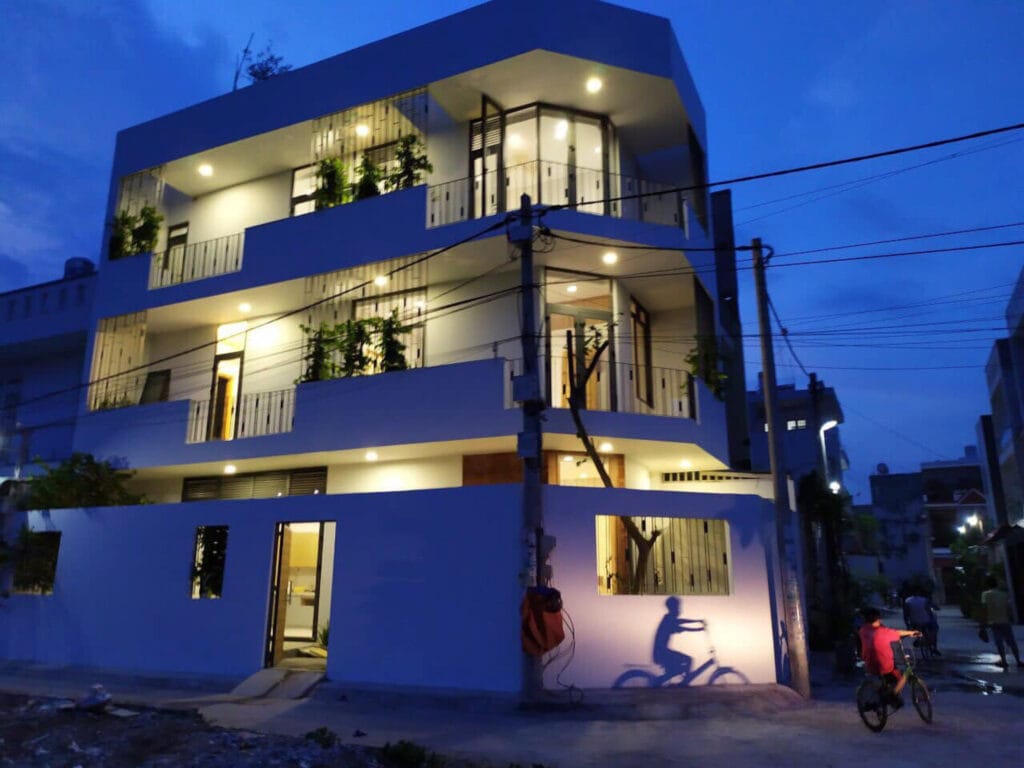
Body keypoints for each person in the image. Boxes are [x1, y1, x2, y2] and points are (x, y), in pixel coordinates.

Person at [858, 606, 921, 708]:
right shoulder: (885, 632)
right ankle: (892, 696)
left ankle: (885, 693)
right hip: (884, 666)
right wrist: (911, 632)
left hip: (869, 664)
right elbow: (897, 633)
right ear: (878, 618)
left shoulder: (863, 630)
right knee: (901, 673)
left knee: (885, 676)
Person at [652, 596, 705, 685]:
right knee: (688, 660)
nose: (679, 609)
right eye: (677, 606)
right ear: (673, 607)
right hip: (662, 653)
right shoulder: (668, 620)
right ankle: (684, 684)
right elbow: (682, 627)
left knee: (677, 669)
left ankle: (667, 681)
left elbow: (681, 621)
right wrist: (698, 629)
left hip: (661, 652)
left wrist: (697, 621)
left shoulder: (668, 618)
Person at [980, 576, 1023, 668]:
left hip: (993, 622)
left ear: (987, 585)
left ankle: (1003, 661)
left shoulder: (985, 594)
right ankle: (1018, 660)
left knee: (999, 642)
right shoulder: (1004, 594)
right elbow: (1009, 608)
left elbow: (984, 609)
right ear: (997, 584)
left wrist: (982, 625)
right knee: (1011, 641)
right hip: (1005, 620)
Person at [903, 590, 940, 655]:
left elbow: (906, 614)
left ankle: (918, 639)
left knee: (915, 628)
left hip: (914, 622)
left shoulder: (907, 601)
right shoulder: (925, 600)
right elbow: (929, 612)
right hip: (926, 621)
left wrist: (907, 624)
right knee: (934, 629)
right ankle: (935, 648)